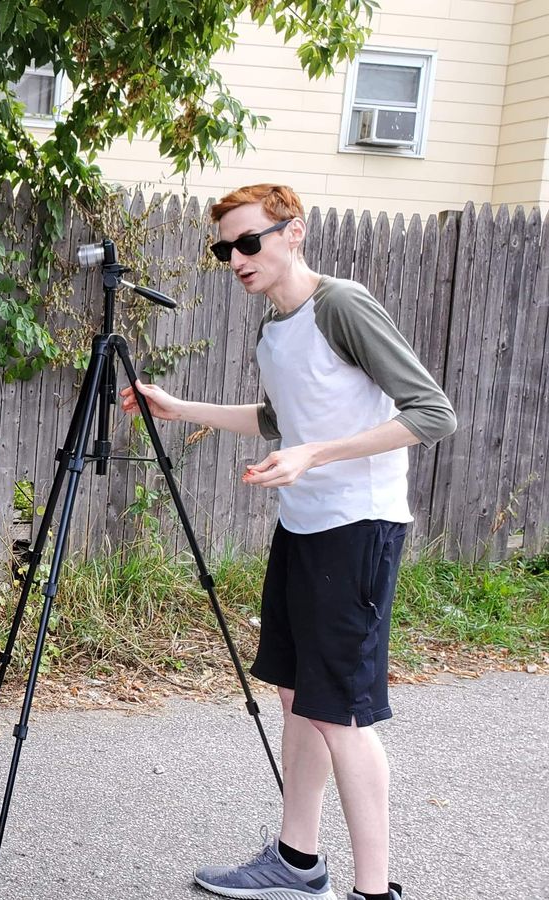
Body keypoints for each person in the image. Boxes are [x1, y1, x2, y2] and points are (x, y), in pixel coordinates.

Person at [120, 184, 456, 900]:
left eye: (249, 242)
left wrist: (316, 455)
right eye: (225, 249)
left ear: (293, 233)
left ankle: (374, 892)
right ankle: (296, 862)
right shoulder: (275, 328)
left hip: (358, 527)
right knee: (299, 696)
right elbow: (281, 419)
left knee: (342, 713)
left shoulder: (342, 305)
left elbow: (432, 413)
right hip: (303, 527)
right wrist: (179, 409)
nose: (237, 258)